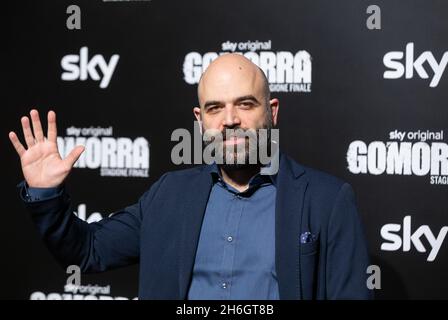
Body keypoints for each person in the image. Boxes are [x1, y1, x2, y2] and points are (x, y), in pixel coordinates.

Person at [9, 54, 372, 300]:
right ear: (200, 121)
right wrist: (45, 194)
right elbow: (88, 250)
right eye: (215, 108)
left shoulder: (327, 201)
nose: (230, 119)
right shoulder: (169, 194)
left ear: (272, 111)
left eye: (245, 104)